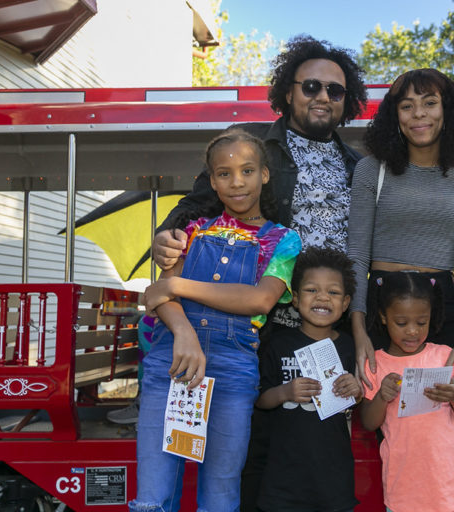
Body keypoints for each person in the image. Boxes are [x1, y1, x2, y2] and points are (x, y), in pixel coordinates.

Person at [151, 35, 368, 510]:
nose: (322, 97)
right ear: (288, 92)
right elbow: (197, 205)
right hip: (259, 324)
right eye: (311, 85)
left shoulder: (359, 165)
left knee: (315, 448)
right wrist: (165, 235)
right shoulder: (255, 146)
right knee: (252, 451)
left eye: (335, 90)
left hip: (327, 327)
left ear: (346, 101)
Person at [347, 68, 454, 511]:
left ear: (447, 111)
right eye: (407, 104)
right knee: (390, 424)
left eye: (429, 103)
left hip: (444, 308)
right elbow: (355, 256)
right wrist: (359, 330)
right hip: (379, 307)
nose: (419, 114)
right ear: (394, 115)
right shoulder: (371, 172)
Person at [129, 130, 301, 512]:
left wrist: (178, 282)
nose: (236, 182)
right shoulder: (190, 231)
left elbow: (259, 299)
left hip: (234, 369)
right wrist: (184, 332)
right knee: (152, 497)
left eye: (247, 170)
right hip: (172, 361)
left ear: (265, 175)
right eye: (224, 173)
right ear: (211, 180)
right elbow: (157, 295)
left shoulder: (284, 240)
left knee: (221, 496)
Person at [359, 272, 454, 512]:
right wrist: (382, 396)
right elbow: (369, 422)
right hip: (404, 487)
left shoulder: (444, 356)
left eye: (421, 323)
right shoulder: (375, 364)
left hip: (452, 484)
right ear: (383, 316)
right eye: (401, 323)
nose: (412, 331)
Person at [255, 247, 361, 512]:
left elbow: (360, 403)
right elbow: (260, 399)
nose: (323, 297)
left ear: (346, 303)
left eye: (334, 292)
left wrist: (356, 391)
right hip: (284, 481)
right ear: (295, 297)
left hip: (333, 481)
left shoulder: (350, 348)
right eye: (312, 290)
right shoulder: (277, 344)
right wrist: (285, 392)